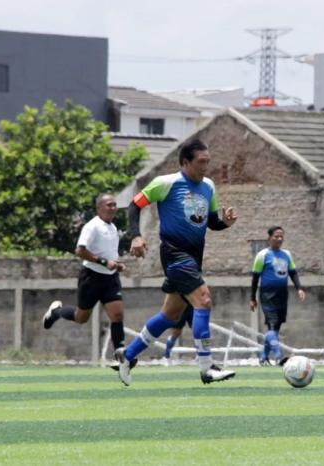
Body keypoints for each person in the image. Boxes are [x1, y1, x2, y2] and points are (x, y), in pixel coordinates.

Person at [118, 138, 238, 386]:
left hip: (194, 258)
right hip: (174, 254)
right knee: (204, 299)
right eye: (201, 162)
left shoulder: (208, 187)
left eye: (208, 161)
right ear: (185, 162)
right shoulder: (166, 183)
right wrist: (137, 236)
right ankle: (207, 368)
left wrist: (224, 221)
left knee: (170, 314)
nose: (206, 166)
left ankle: (127, 356)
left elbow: (211, 222)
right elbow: (134, 205)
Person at [42, 194, 129, 361]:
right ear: (99, 208)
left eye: (114, 205)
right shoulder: (92, 226)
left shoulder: (112, 227)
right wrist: (104, 262)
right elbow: (80, 251)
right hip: (91, 278)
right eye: (109, 205)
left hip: (110, 278)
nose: (113, 208)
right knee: (81, 317)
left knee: (117, 315)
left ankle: (121, 356)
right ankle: (56, 312)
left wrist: (117, 265)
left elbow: (108, 253)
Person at [249, 226, 306, 365]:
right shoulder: (262, 255)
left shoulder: (287, 254)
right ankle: (279, 357)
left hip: (282, 295)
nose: (279, 239)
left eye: (281, 236)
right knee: (272, 325)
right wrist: (252, 298)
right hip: (267, 296)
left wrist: (299, 288)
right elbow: (255, 277)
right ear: (269, 238)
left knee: (275, 328)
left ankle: (263, 358)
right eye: (276, 236)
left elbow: (293, 272)